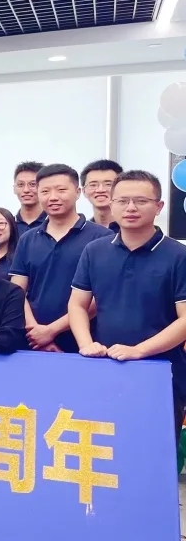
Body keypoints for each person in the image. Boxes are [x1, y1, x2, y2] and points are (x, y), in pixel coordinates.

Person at [69, 170, 186, 432]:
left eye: (141, 201)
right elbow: (77, 304)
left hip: (161, 373)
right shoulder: (95, 251)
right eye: (122, 201)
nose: (130, 208)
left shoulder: (179, 255)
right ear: (112, 205)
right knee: (106, 446)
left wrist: (139, 350)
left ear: (159, 207)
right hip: (106, 368)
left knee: (154, 447)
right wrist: (86, 344)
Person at [10, 163, 113, 353]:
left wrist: (51, 331)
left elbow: (102, 296)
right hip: (33, 342)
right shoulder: (28, 239)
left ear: (78, 192)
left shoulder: (102, 238)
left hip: (85, 342)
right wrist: (36, 332)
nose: (53, 197)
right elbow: (16, 291)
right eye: (45, 191)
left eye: (61, 190)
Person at [80, 159, 123, 230]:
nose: (100, 190)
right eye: (93, 185)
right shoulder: (81, 231)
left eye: (108, 184)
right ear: (84, 191)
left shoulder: (133, 230)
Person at [12, 161, 46, 236]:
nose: (26, 190)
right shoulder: (9, 226)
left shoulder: (53, 223)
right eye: (21, 185)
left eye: (33, 184)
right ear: (14, 189)